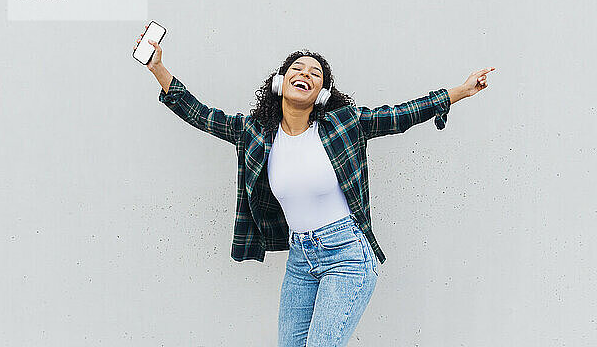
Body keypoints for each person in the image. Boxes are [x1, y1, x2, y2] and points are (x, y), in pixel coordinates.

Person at [133, 25, 495, 346]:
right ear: (279, 82)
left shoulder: (343, 124)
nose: (305, 74)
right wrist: (158, 68)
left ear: (323, 92)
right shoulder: (256, 134)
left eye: (315, 73)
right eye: (297, 68)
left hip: (347, 255)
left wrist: (461, 91)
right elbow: (200, 114)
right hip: (300, 259)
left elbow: (401, 114)